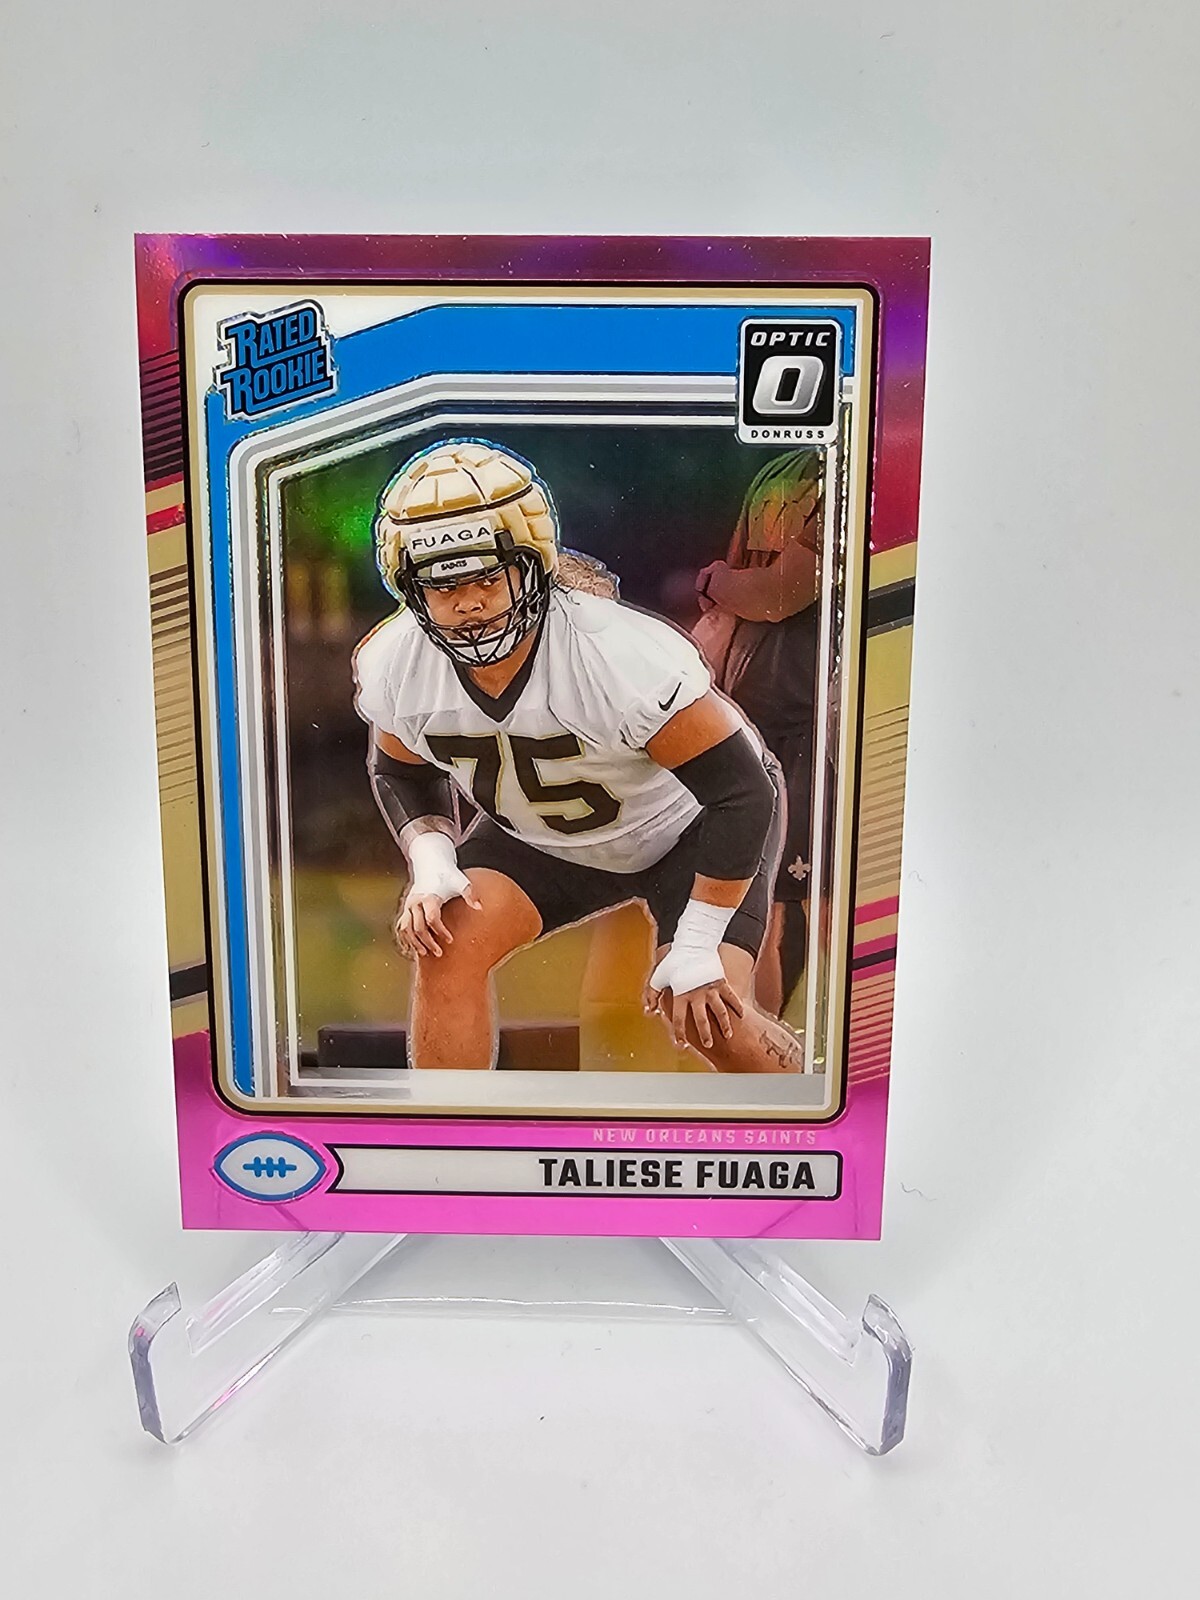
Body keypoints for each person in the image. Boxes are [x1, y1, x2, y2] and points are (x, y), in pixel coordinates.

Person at [352, 438, 806, 1073]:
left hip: (686, 828)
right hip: (546, 837)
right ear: (409, 587)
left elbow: (742, 791)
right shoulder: (396, 661)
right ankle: (450, 1126)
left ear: (532, 565)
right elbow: (400, 770)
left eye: (487, 576)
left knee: (708, 1014)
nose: (470, 602)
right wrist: (431, 860)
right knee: (447, 943)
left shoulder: (615, 653)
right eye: (443, 584)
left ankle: (809, 1101)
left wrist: (700, 940)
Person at [693, 450, 824, 1017]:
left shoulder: (840, 477)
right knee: (759, 909)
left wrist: (719, 580)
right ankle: (772, 1047)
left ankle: (828, 1047)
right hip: (763, 719)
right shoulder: (788, 470)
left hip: (813, 726)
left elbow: (782, 592)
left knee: (824, 906)